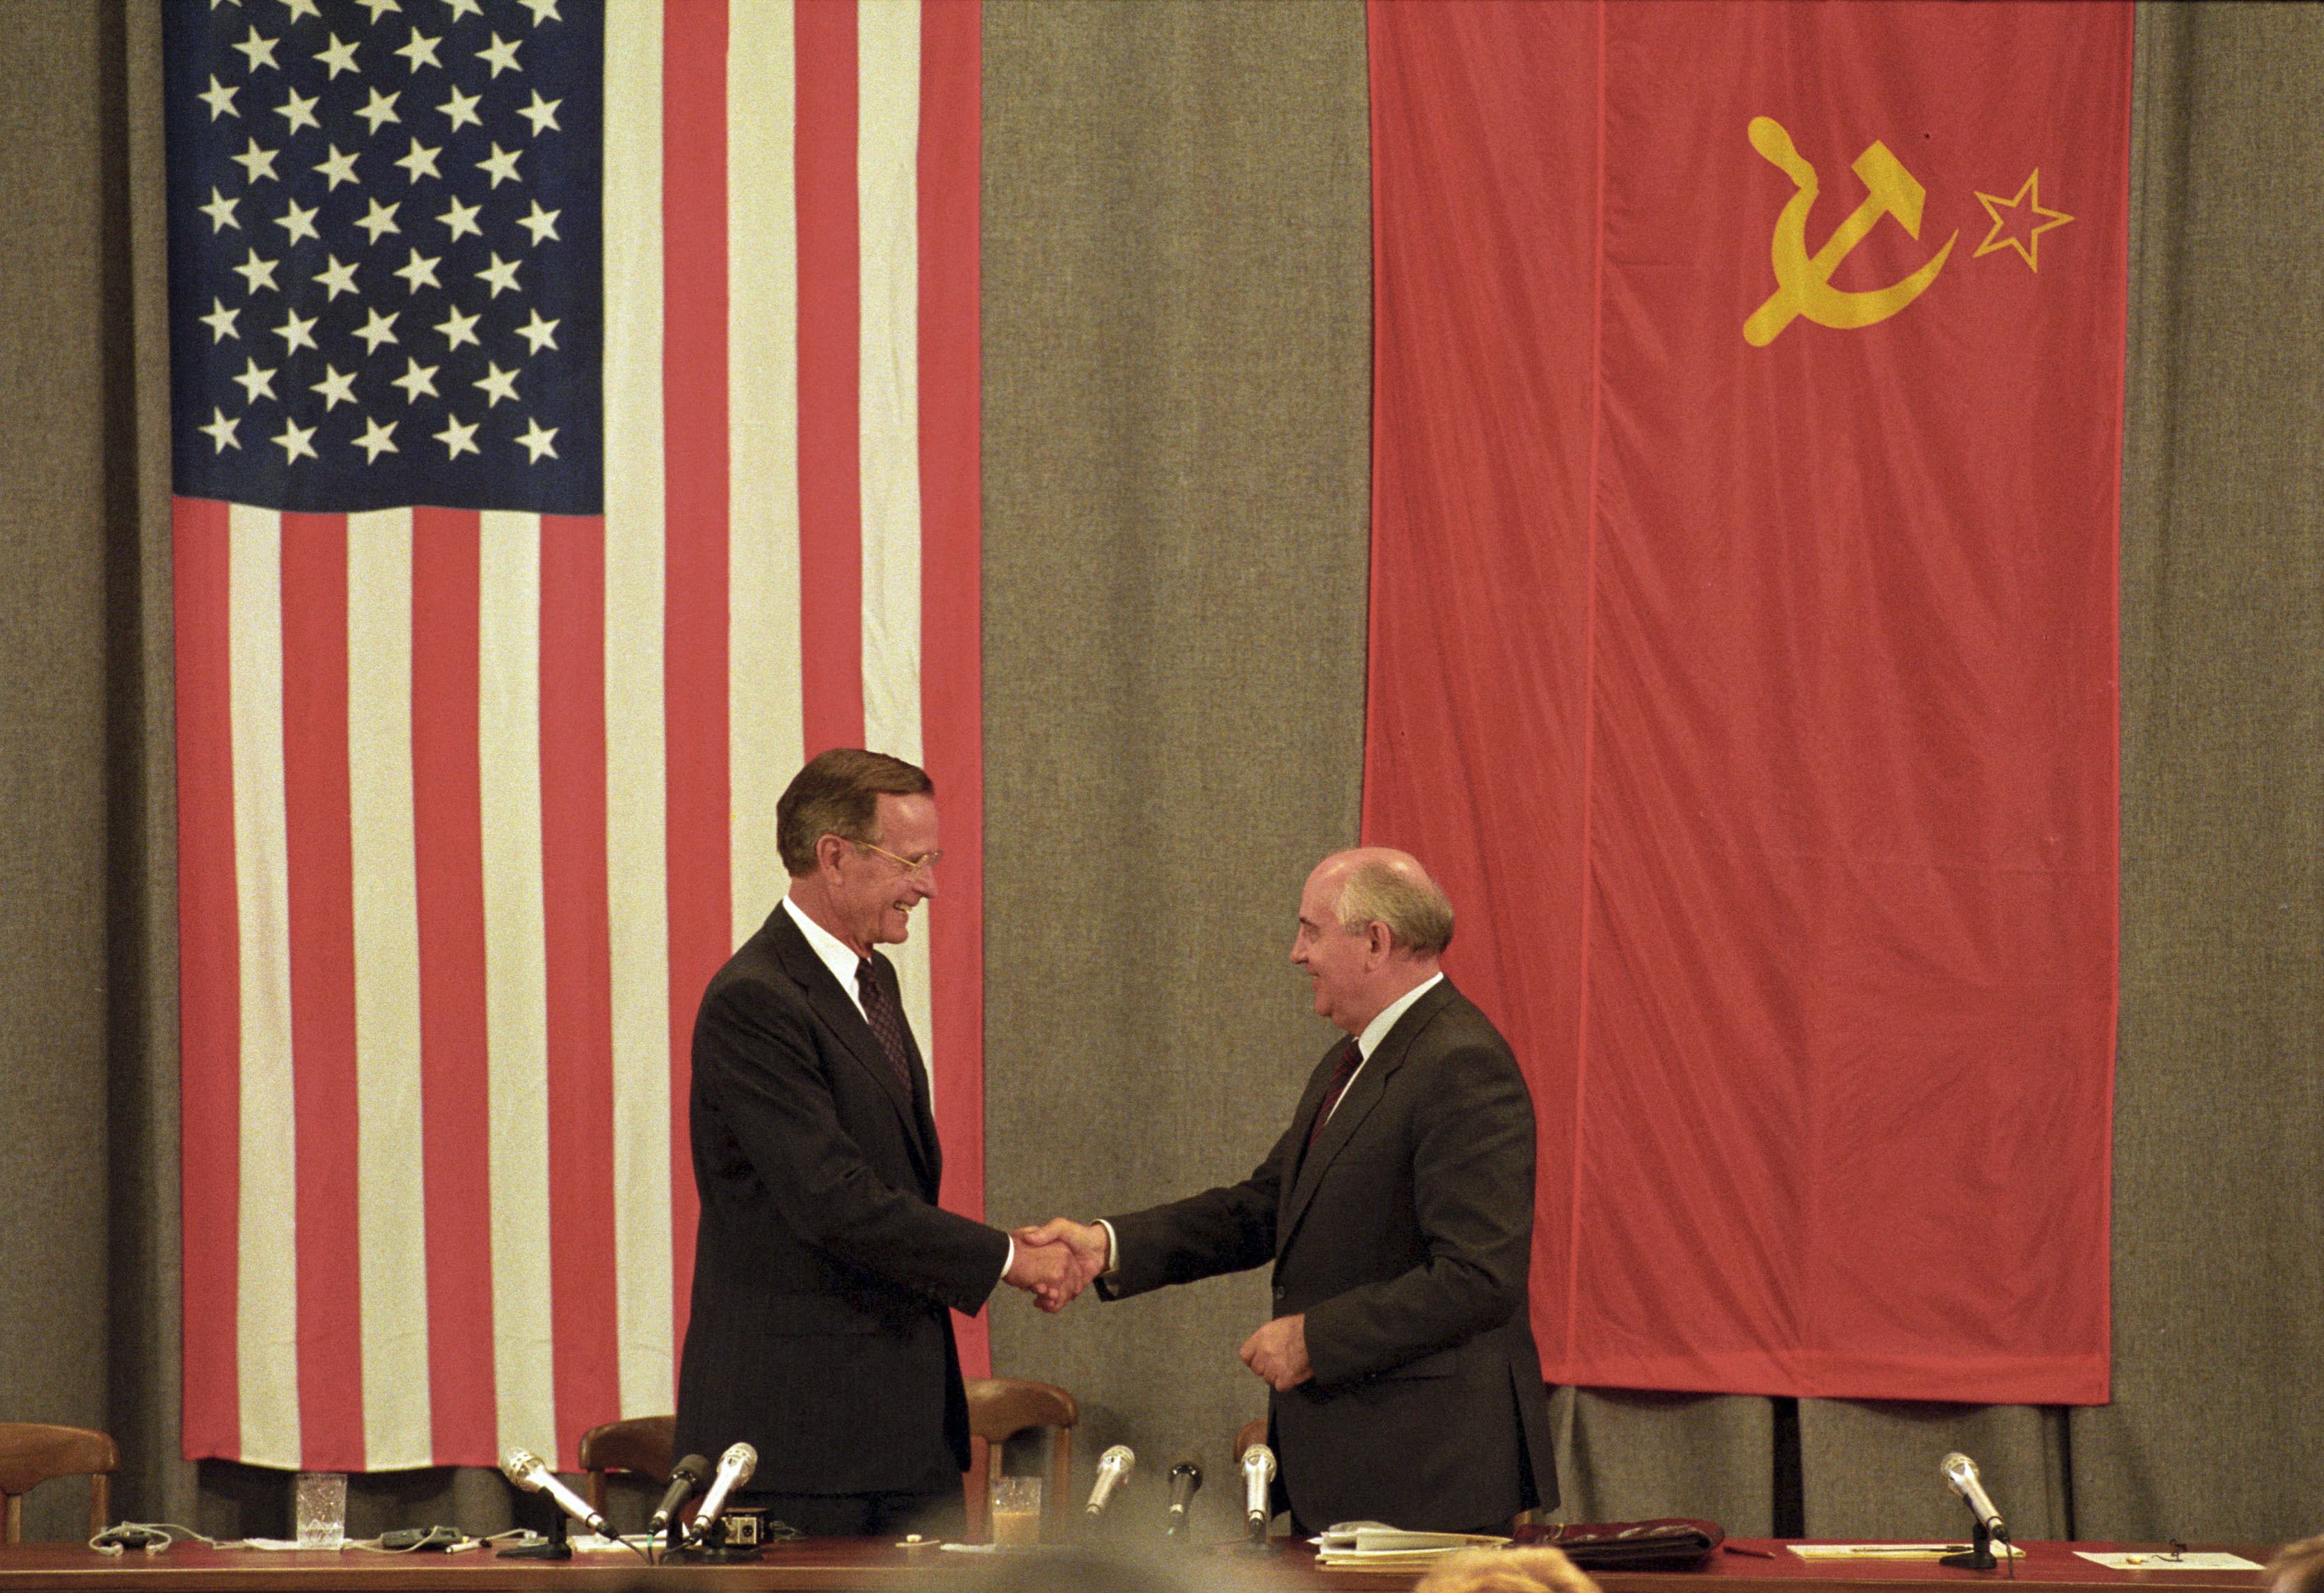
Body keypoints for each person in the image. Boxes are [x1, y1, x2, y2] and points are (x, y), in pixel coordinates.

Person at [1020, 849, 1558, 1535]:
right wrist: (1108, 1246)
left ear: (1374, 942)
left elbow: (1481, 1278)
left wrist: (1316, 1339)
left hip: (1428, 1475)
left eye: (1311, 930)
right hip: (1359, 1466)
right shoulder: (1359, 1058)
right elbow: (1266, 1207)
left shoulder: (1461, 1063)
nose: (1296, 953)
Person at [673, 748, 1070, 1537]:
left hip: (901, 1436)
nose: (929, 886)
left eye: (934, 861)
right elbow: (834, 1201)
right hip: (804, 1445)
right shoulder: (756, 999)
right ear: (835, 857)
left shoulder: (869, 981)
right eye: (913, 862)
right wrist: (1008, 1259)